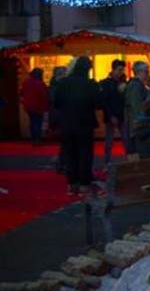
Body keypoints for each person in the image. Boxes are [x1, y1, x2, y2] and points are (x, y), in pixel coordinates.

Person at [55, 56, 100, 196]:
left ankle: (71, 183)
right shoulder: (90, 84)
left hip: (67, 123)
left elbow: (57, 103)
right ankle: (84, 184)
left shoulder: (63, 83)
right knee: (85, 154)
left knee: (70, 153)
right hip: (85, 123)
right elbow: (97, 103)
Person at [99, 59, 126, 164]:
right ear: (113, 70)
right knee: (109, 141)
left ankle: (130, 160)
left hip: (120, 114)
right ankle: (107, 161)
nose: (121, 72)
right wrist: (110, 115)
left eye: (122, 70)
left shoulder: (121, 82)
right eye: (119, 70)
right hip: (112, 115)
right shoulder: (106, 83)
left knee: (125, 139)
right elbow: (105, 101)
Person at [125, 61, 149, 154]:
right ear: (140, 72)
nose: (148, 74)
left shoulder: (135, 85)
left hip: (135, 127)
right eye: (147, 72)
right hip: (137, 128)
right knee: (136, 154)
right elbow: (137, 108)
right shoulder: (136, 86)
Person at [21, 68, 48, 144]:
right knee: (37, 122)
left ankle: (33, 138)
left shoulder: (26, 82)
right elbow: (43, 96)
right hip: (38, 106)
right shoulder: (40, 83)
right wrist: (45, 107)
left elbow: (22, 93)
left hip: (28, 106)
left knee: (33, 122)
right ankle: (37, 139)